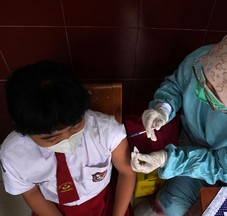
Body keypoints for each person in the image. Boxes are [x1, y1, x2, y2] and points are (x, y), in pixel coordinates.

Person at [130, 25, 227, 215]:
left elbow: (225, 168)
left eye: (214, 95)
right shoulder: (215, 59)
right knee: (169, 206)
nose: (200, 91)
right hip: (192, 150)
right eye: (203, 80)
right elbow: (178, 84)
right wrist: (163, 108)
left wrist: (168, 159)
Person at [0, 61, 135, 216]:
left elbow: (126, 172)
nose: (67, 139)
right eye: (51, 138)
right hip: (53, 206)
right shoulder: (14, 156)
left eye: (76, 126)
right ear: (23, 130)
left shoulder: (106, 132)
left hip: (102, 200)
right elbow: (31, 193)